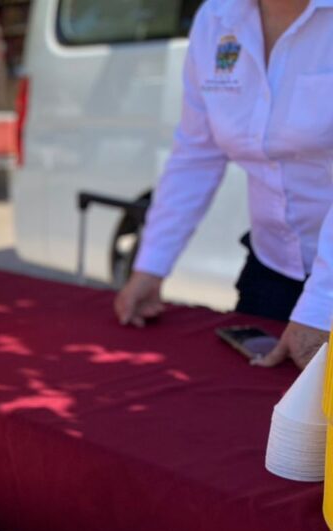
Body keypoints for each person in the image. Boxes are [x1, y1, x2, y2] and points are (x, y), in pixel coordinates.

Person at [114, 0, 333, 369]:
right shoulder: (217, 16)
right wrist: (151, 265)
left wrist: (322, 305)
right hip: (273, 268)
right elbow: (195, 154)